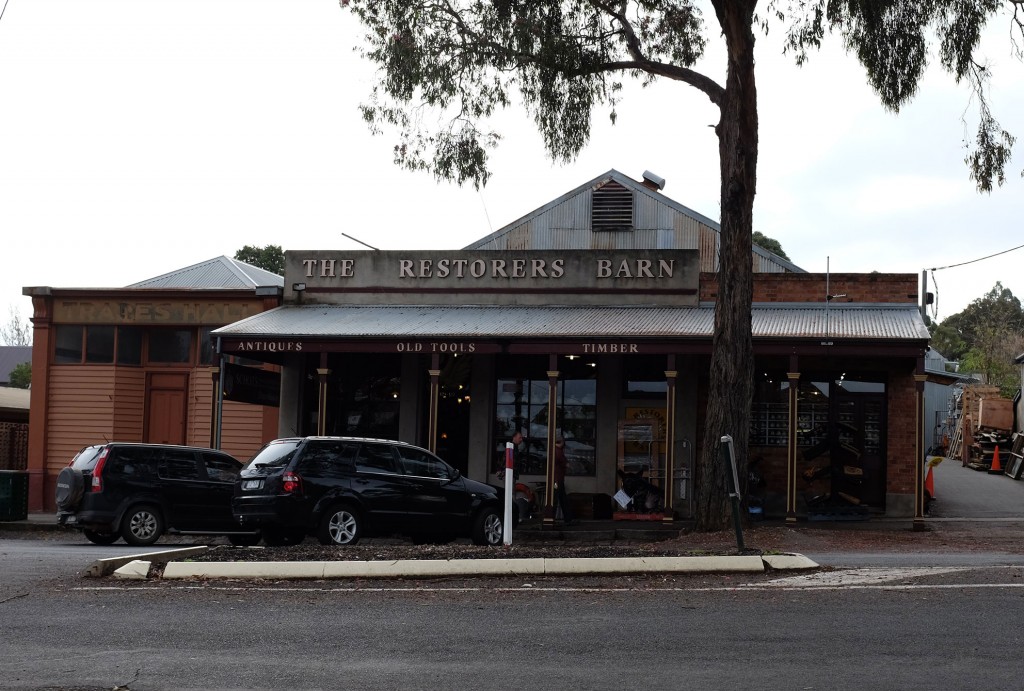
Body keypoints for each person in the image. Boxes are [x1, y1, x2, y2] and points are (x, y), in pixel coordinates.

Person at [553, 435, 575, 525]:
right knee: (557, 499)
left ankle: (567, 518)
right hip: (558, 479)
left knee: (561, 498)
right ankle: (566, 518)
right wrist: (570, 466)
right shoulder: (558, 452)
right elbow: (564, 463)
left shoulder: (555, 451)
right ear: (562, 442)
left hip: (557, 478)